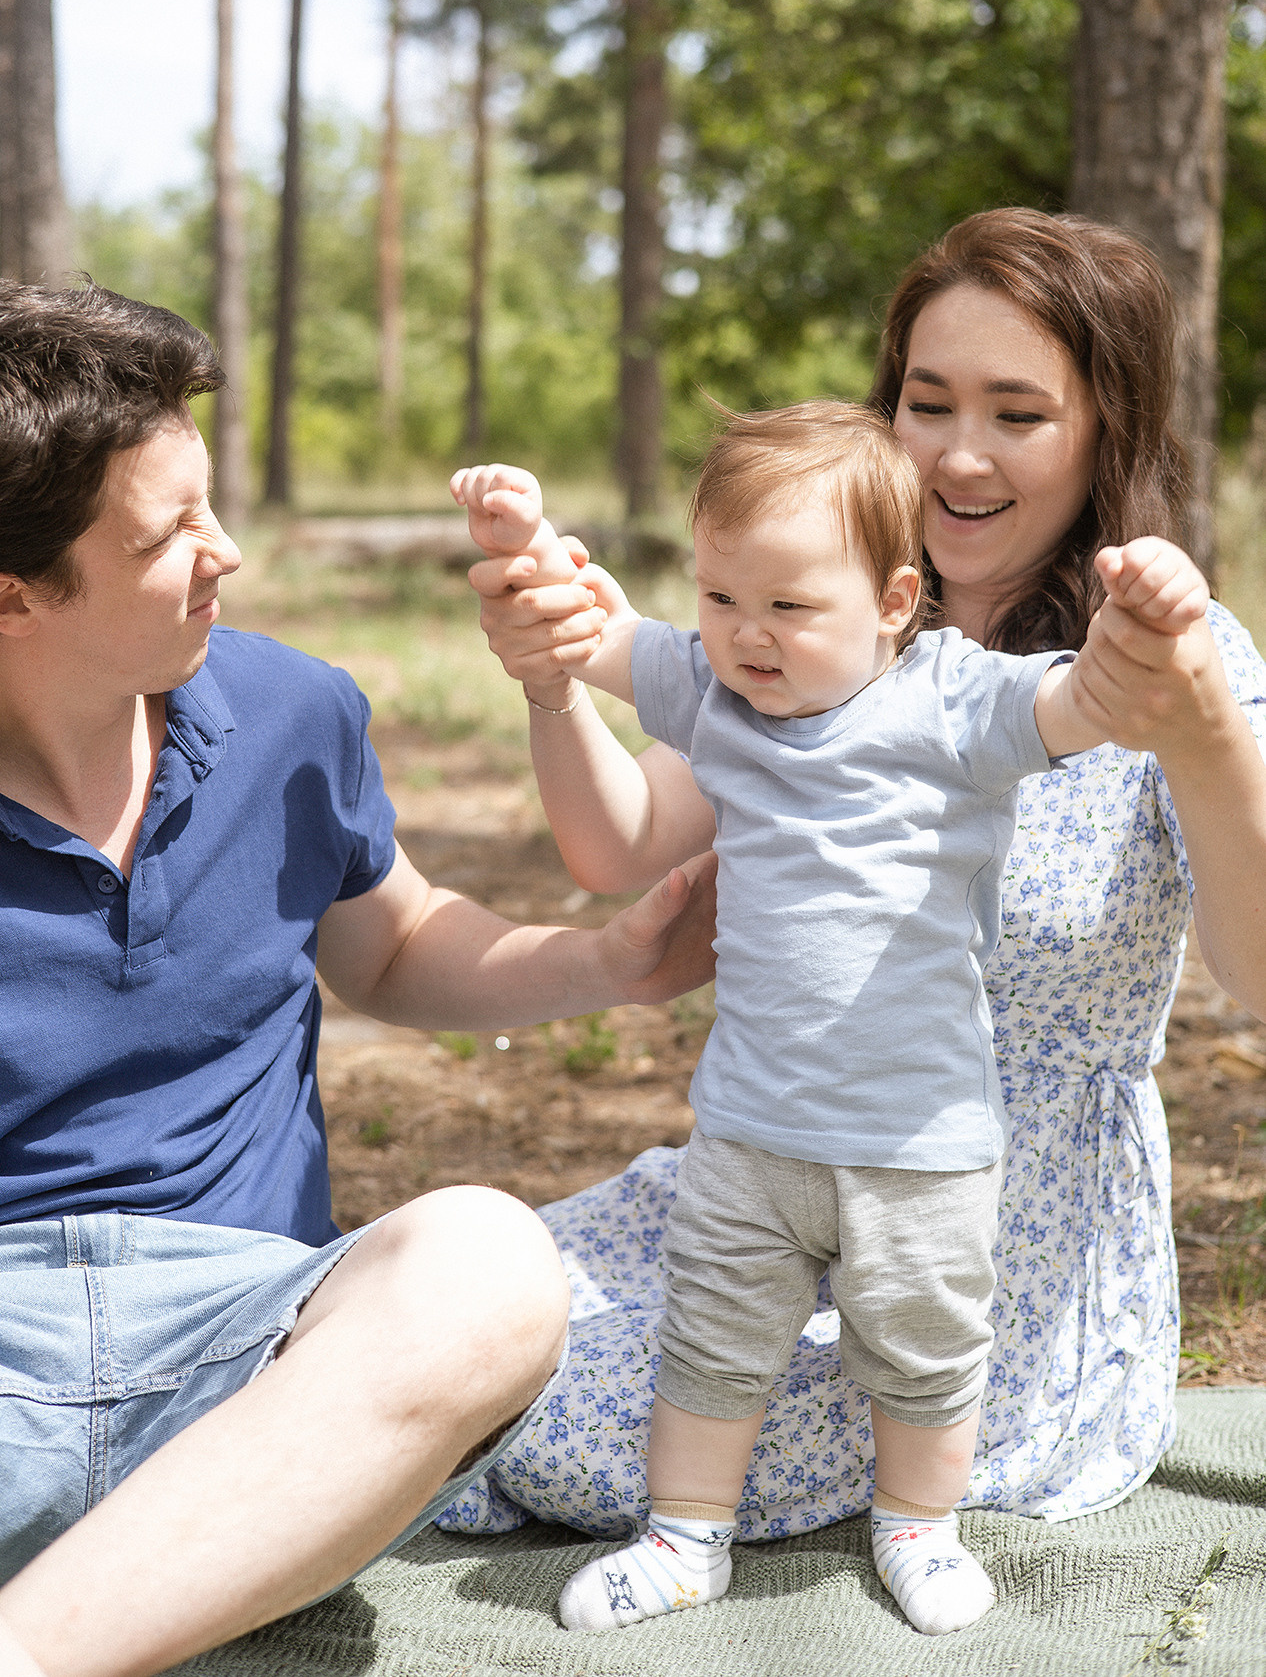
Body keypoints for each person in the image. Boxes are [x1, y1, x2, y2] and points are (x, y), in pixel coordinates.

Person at [436, 210, 1266, 1573]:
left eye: (1017, 412)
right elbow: (626, 836)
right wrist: (545, 685)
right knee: (462, 1307)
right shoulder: (825, 620)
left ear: (1104, 432)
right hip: (774, 1165)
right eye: (925, 401)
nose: (955, 452)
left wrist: (1193, 728)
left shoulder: (1161, 658)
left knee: (562, 1424)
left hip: (992, 1229)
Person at [0, 282, 718, 1677]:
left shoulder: (290, 710)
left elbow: (386, 940)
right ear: (13, 592)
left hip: (255, 1370)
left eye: (208, 504)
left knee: (488, 1264)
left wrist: (604, 962)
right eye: (165, 536)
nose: (226, 554)